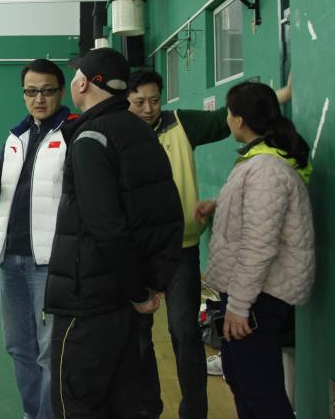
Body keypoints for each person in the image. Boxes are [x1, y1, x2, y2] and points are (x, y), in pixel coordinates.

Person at [125, 71, 292, 419]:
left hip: (181, 249)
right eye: (139, 101)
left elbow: (231, 115)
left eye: (154, 100)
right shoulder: (119, 132)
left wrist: (284, 93)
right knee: (137, 336)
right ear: (126, 101)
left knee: (184, 332)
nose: (148, 108)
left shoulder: (181, 123)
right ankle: (145, 409)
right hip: (137, 252)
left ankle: (194, 412)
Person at [45, 48, 184, 418]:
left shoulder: (92, 137)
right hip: (124, 301)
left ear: (84, 84)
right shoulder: (141, 132)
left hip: (90, 300)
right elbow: (165, 215)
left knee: (75, 403)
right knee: (121, 402)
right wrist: (149, 284)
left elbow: (106, 227)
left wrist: (138, 291)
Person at [194, 81, 314, 419]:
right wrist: (218, 204)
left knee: (260, 391)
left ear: (239, 120)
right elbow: (259, 211)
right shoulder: (259, 160)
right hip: (251, 294)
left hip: (259, 296)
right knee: (240, 377)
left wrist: (239, 306)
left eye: (229, 113)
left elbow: (259, 243)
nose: (227, 119)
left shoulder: (266, 169)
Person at [0, 58, 77, 419]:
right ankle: (34, 413)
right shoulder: (15, 137)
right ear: (24, 94)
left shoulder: (73, 131)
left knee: (49, 353)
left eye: (47, 91)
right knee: (19, 348)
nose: (39, 99)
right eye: (31, 92)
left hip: (49, 264)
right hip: (9, 262)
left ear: (60, 92)